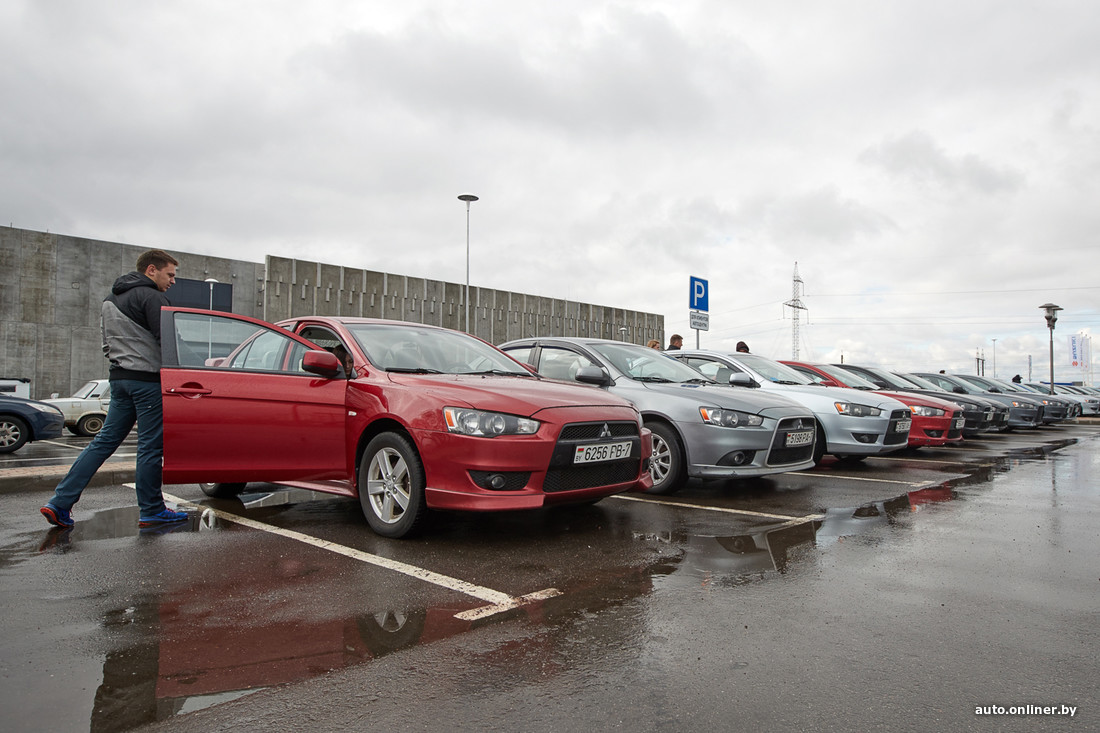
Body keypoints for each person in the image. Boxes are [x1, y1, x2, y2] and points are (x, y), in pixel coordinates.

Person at [41, 250, 190, 529]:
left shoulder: (110, 300)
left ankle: (60, 502)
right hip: (147, 381)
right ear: (151, 270)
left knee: (103, 443)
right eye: (170, 274)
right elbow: (169, 341)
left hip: (119, 380)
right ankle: (153, 510)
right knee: (149, 448)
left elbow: (106, 343)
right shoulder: (152, 297)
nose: (172, 281)